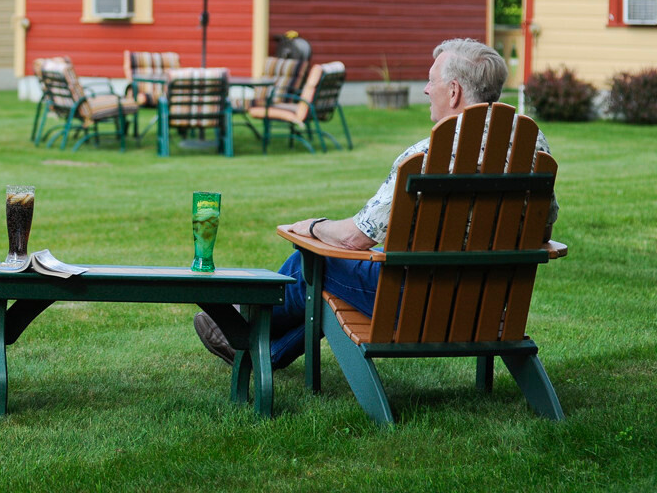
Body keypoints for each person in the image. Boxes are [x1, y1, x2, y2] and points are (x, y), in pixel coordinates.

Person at [193, 37, 558, 369]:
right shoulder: (533, 148)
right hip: (492, 304)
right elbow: (544, 226)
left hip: (420, 303)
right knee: (322, 274)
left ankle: (245, 326)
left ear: (454, 91)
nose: (426, 90)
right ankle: (263, 349)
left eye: (432, 82)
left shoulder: (425, 156)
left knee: (311, 260)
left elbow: (357, 238)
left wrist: (314, 227)